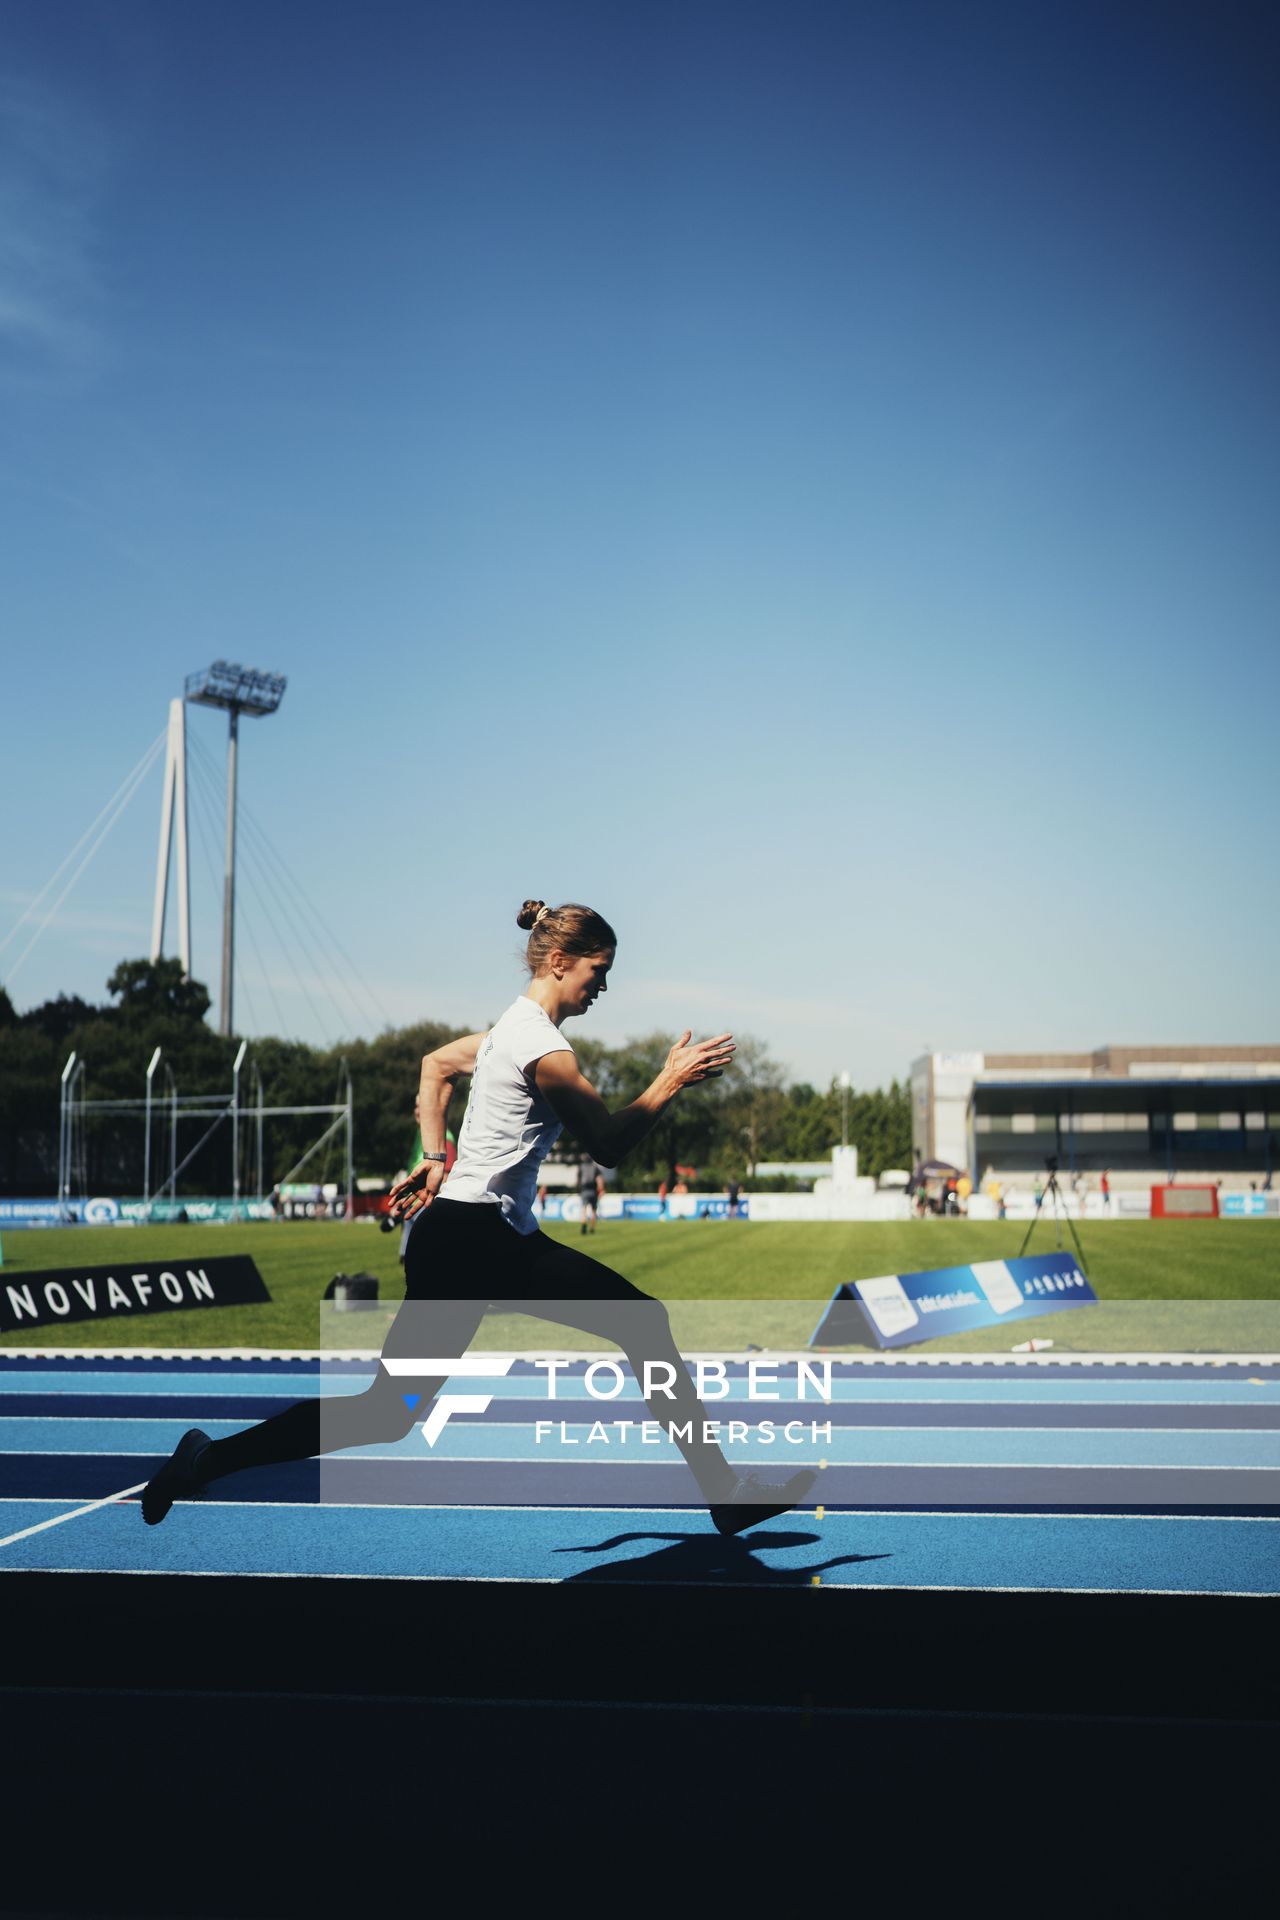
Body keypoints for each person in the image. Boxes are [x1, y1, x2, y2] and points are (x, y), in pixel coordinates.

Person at [141, 899, 814, 1536]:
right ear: (560, 962)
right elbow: (608, 1145)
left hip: (465, 1237)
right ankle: (723, 1494)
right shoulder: (543, 1049)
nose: (602, 988)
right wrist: (670, 1079)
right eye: (598, 972)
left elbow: (436, 1066)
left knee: (387, 1413)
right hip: (477, 1239)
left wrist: (436, 1156)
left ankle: (207, 1459)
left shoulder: (502, 1035)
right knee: (643, 1323)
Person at [577, 1153, 600, 1236]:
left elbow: (578, 1180)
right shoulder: (595, 1167)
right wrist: (600, 1190)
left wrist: (578, 1190)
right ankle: (592, 1228)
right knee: (593, 1210)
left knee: (584, 1209)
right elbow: (599, 1180)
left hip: (584, 1190)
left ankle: (583, 1225)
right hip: (593, 1191)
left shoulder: (581, 1167)